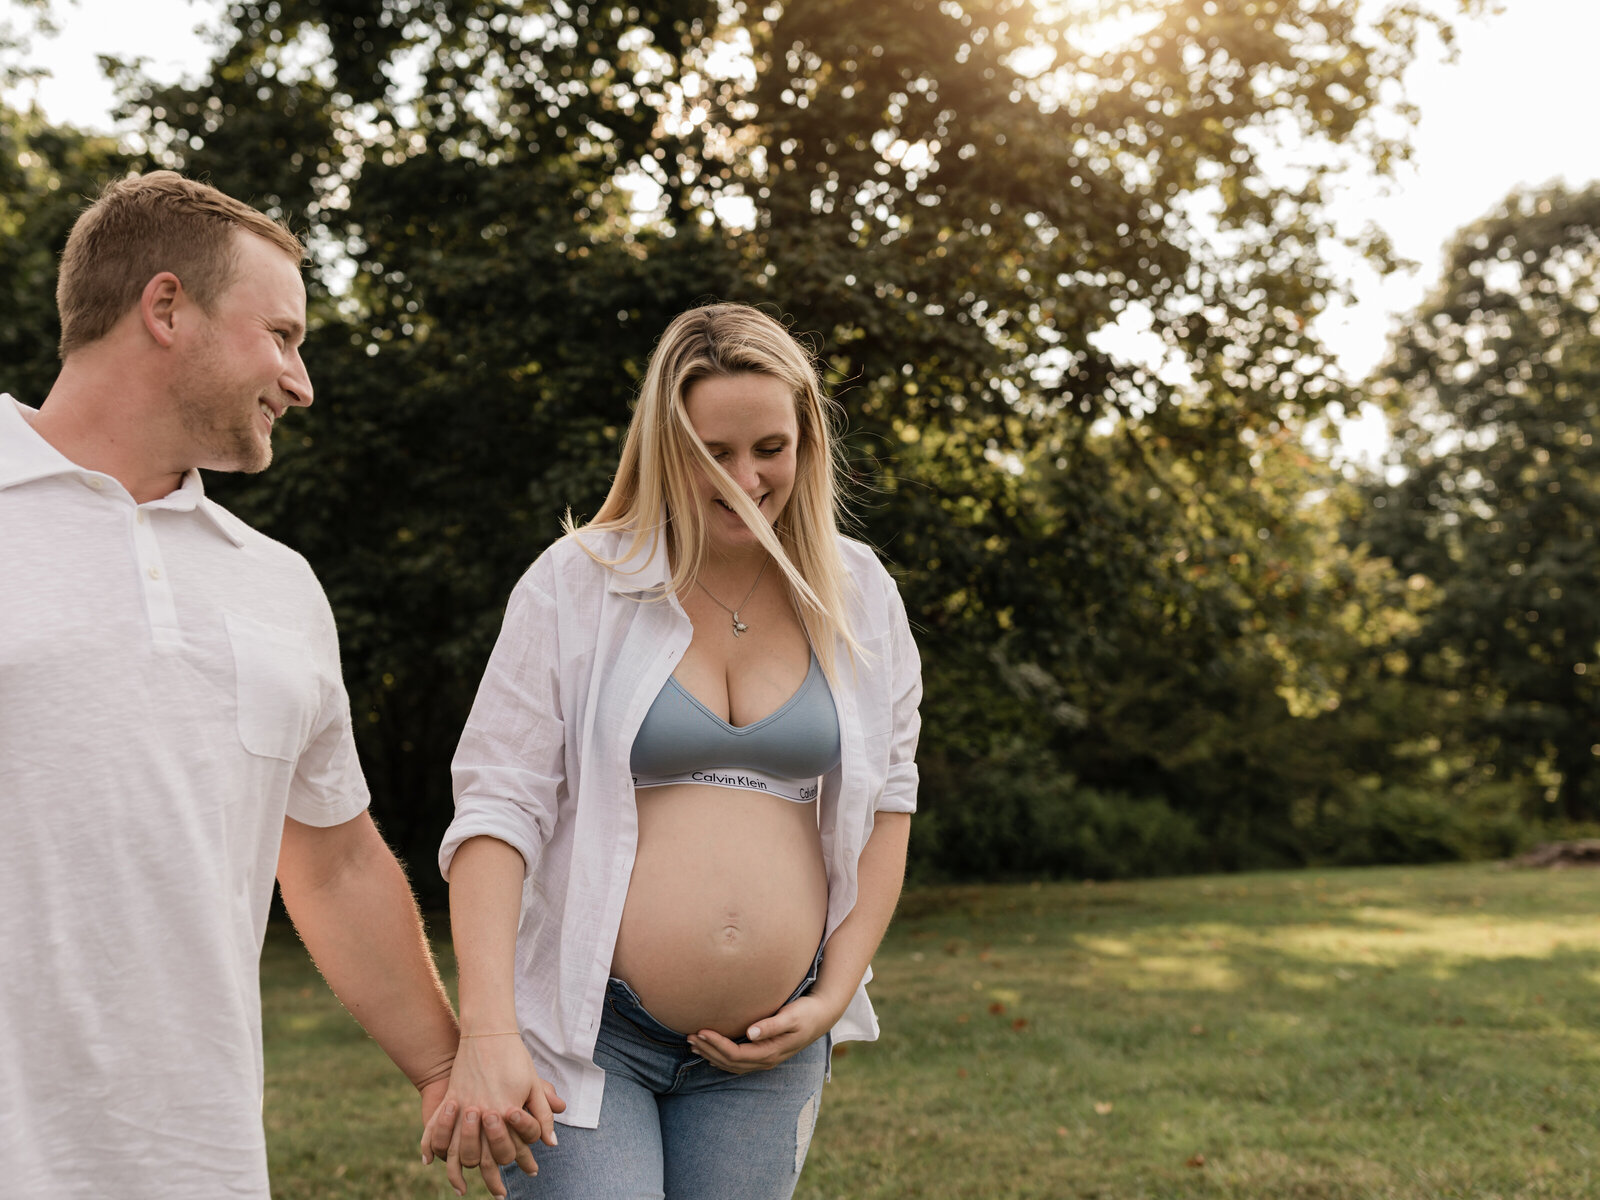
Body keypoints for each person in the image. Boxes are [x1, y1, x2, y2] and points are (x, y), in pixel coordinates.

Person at [0, 171, 540, 1199]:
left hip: (194, 1159)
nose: (301, 383)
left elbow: (332, 860)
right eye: (282, 336)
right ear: (167, 308)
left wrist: (441, 1066)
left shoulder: (278, 587)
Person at [425, 301, 923, 1198]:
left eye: (769, 448)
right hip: (587, 1035)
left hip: (767, 1054)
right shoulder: (579, 582)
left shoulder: (860, 594)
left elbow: (889, 802)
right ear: (665, 446)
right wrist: (487, 1032)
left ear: (807, 441)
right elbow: (498, 812)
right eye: (710, 454)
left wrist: (831, 995)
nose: (744, 478)